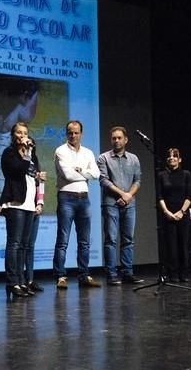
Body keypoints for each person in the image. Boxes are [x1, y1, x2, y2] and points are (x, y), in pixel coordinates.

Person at [53, 120, 101, 288]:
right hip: (66, 197)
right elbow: (68, 175)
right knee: (63, 240)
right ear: (66, 134)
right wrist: (85, 173)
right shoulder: (61, 151)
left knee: (85, 241)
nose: (73, 135)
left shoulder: (88, 152)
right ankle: (60, 276)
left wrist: (81, 171)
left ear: (81, 133)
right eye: (70, 133)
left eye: (76, 132)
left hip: (84, 198)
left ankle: (84, 275)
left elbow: (96, 173)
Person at [97, 126, 143, 285]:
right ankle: (111, 274)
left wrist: (128, 195)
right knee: (111, 239)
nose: (116, 140)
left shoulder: (134, 159)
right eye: (113, 138)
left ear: (125, 140)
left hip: (129, 203)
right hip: (111, 203)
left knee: (128, 239)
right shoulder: (103, 158)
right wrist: (122, 194)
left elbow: (137, 180)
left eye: (119, 138)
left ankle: (127, 273)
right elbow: (103, 180)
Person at [0, 122, 40, 299]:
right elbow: (17, 170)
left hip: (29, 204)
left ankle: (22, 281)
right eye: (19, 133)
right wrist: (25, 154)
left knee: (24, 245)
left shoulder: (32, 155)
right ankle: (12, 282)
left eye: (25, 133)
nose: (22, 136)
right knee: (14, 244)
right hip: (15, 204)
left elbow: (34, 176)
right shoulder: (9, 153)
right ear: (13, 135)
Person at [157, 148, 191, 282]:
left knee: (183, 244)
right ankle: (172, 273)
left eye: (175, 156)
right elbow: (160, 196)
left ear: (180, 159)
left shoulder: (186, 174)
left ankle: (183, 273)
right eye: (169, 156)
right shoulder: (162, 175)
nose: (171, 158)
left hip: (182, 214)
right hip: (168, 214)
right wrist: (166, 212)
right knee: (170, 245)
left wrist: (181, 212)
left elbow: (189, 195)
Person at [22, 136, 46, 292]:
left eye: (32, 144)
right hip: (23, 207)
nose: (30, 146)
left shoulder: (35, 161)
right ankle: (20, 280)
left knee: (30, 245)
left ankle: (30, 279)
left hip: (35, 208)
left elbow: (40, 183)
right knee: (22, 245)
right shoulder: (19, 162)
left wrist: (40, 203)